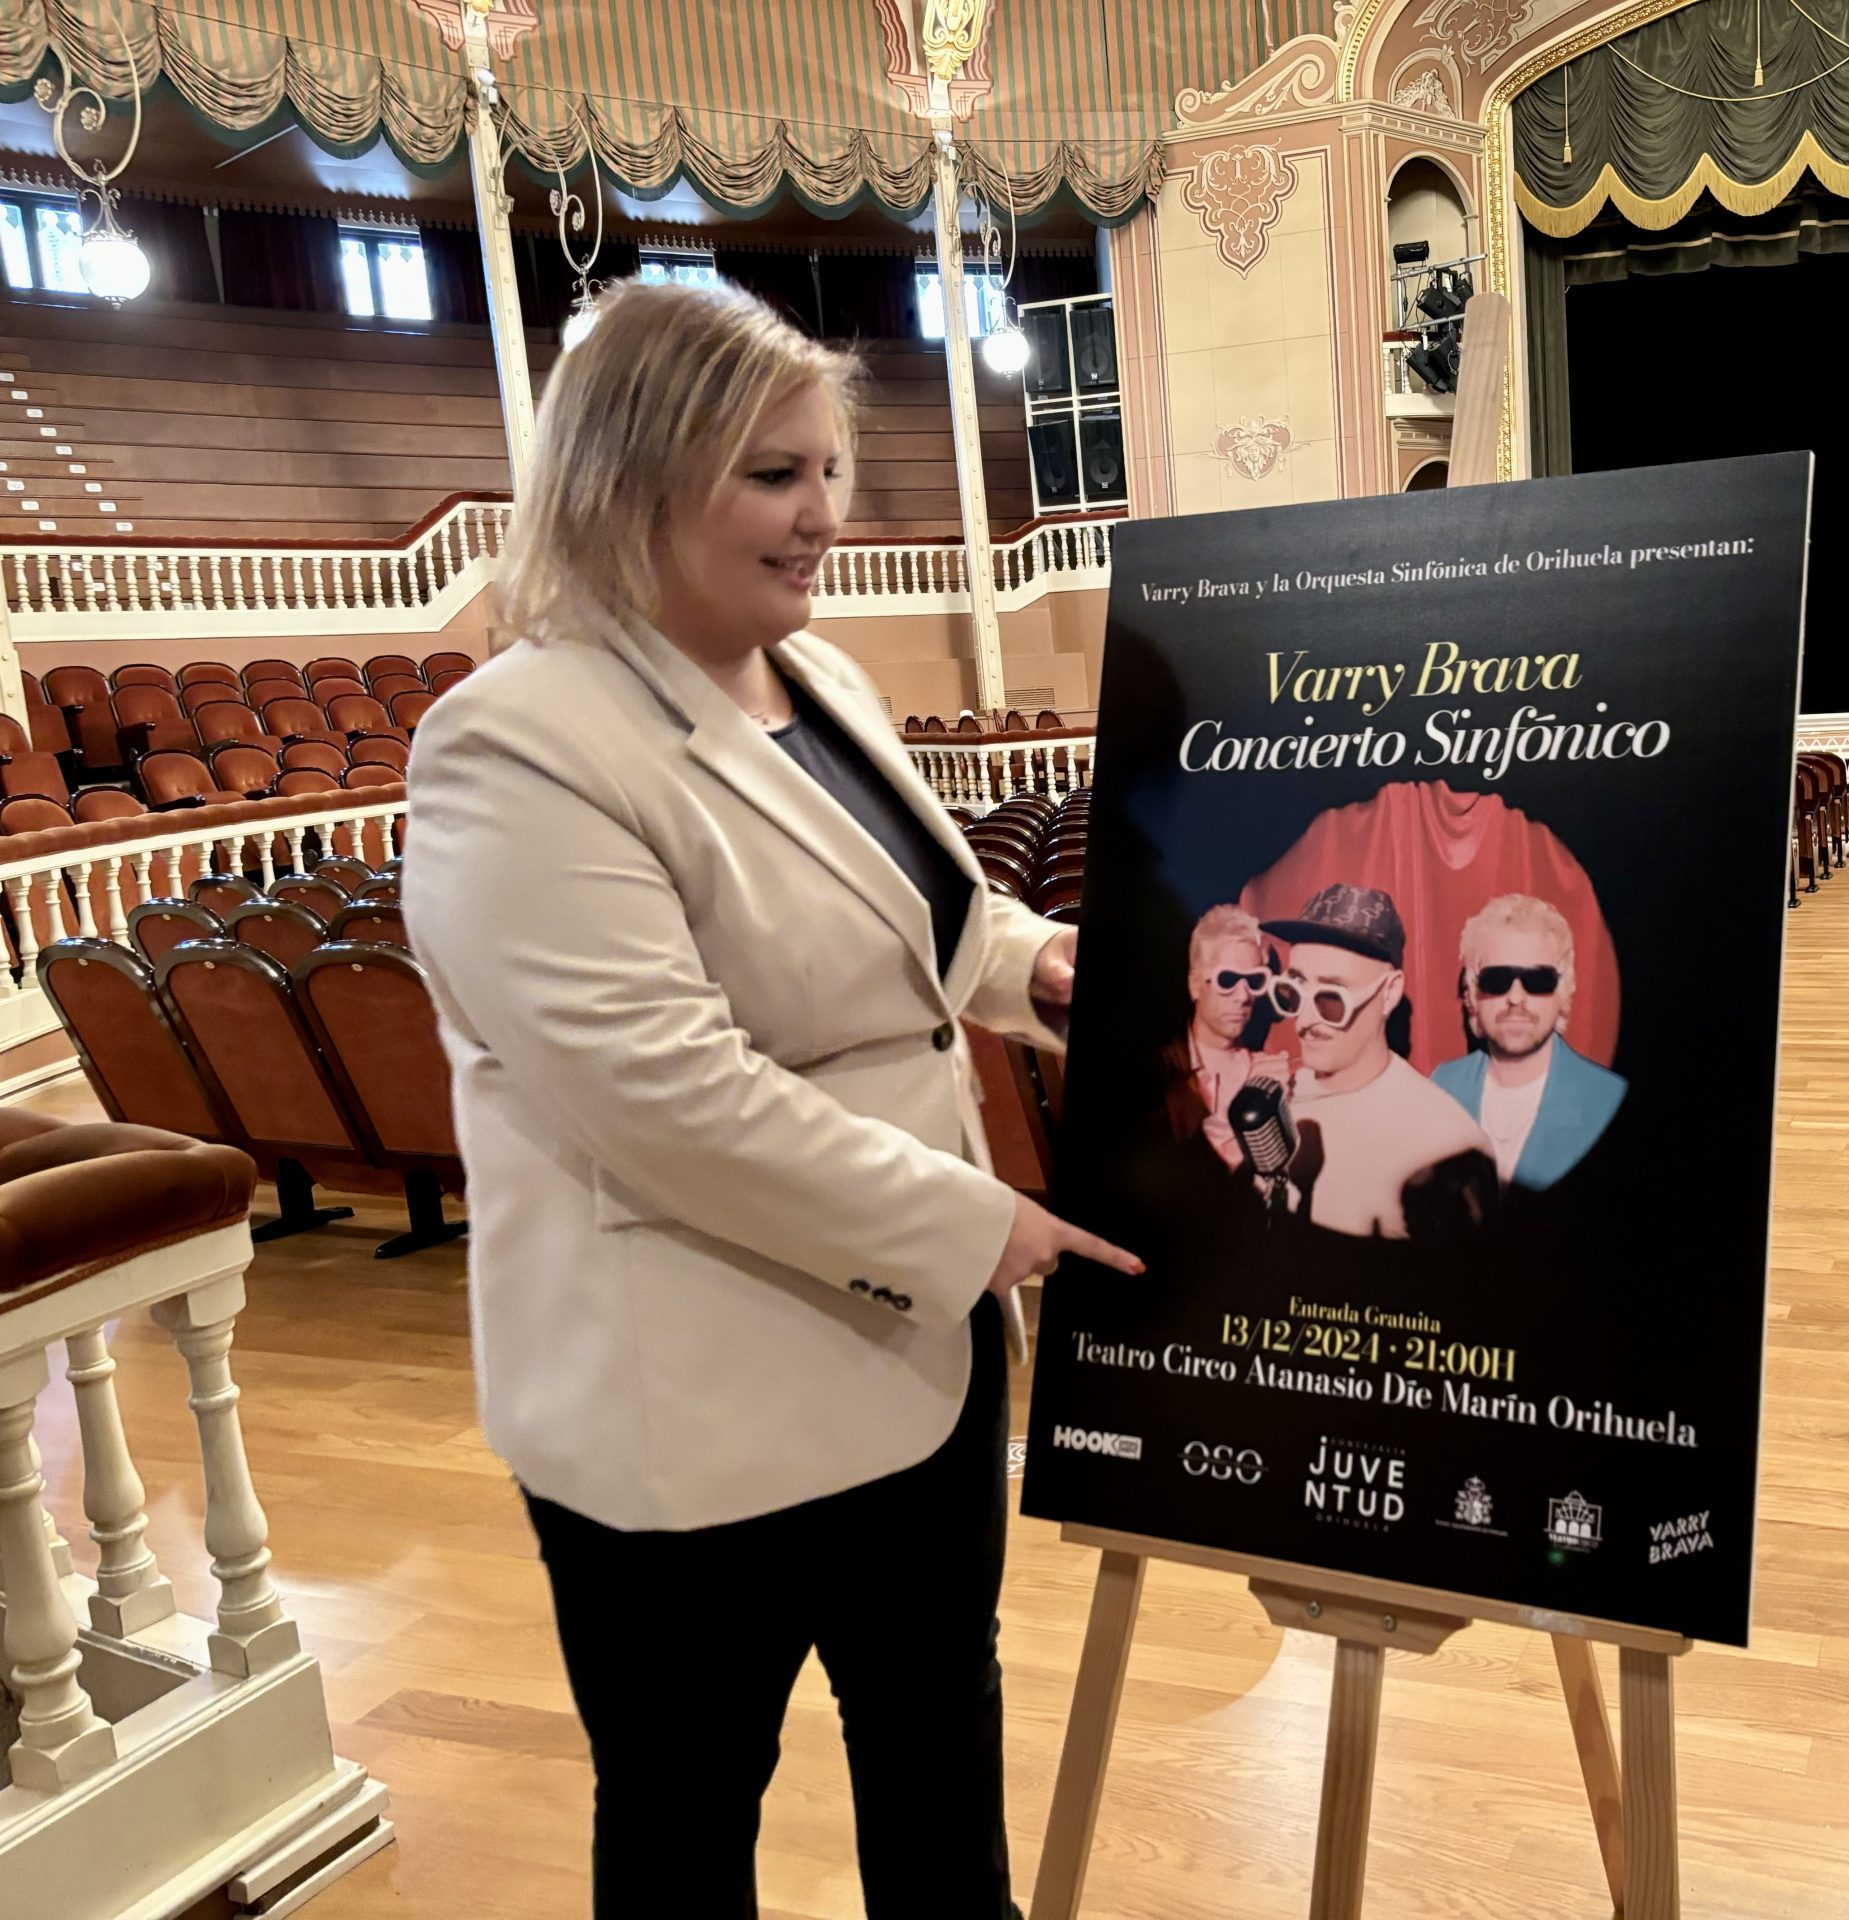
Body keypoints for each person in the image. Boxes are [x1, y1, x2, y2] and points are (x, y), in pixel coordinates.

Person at [402, 280, 1140, 1920]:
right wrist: (980, 1225)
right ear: (629, 478)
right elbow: (667, 1100)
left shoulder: (820, 681)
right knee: (688, 1817)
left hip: (914, 1356)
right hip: (693, 1406)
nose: (825, 514)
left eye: (828, 471)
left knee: (938, 1755)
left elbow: (927, 919)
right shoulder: (513, 745)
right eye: (774, 475)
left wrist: (1037, 967)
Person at [1258, 884, 1495, 1238]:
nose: (1303, 1021)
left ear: (1389, 993)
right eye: (1293, 991)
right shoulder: (1276, 1102)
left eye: (1331, 997)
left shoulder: (1447, 1144)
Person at [1431, 893, 1627, 1189]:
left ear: (1564, 991)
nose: (1516, 998)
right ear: (1472, 994)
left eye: (1538, 980)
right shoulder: (1443, 1085)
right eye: (1497, 979)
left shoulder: (1606, 1099)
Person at [1163, 903, 1289, 1168]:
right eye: (1228, 979)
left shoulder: (1269, 1075)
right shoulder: (1157, 1072)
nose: (1243, 997)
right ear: (1195, 984)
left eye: (1254, 981)